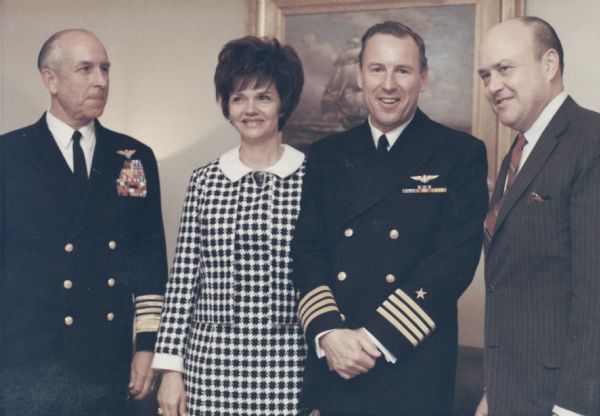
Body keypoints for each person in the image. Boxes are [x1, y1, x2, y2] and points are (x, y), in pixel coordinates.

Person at [291, 21, 488, 416]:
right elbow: (308, 249)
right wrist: (329, 332)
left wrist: (374, 338)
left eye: (403, 70)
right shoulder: (326, 154)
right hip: (336, 362)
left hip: (411, 366)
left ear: (424, 78)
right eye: (377, 69)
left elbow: (453, 261)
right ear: (360, 76)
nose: (389, 84)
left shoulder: (459, 153)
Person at [0, 29, 167, 416]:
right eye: (86, 69)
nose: (101, 81)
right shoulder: (9, 155)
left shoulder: (133, 157)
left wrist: (146, 345)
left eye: (105, 69)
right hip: (25, 365)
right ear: (50, 79)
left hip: (105, 362)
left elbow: (148, 261)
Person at [152, 36, 307, 416]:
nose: (250, 109)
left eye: (263, 97)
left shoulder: (312, 177)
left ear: (283, 102)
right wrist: (172, 370)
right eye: (239, 98)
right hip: (210, 370)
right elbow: (184, 279)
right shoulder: (204, 180)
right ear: (226, 104)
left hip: (289, 369)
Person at [476, 16, 600, 416]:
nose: (493, 86)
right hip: (512, 393)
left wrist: (574, 407)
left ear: (549, 65)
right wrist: (492, 392)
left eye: (504, 69)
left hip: (562, 402)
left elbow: (594, 290)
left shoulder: (590, 140)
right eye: (485, 75)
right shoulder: (521, 151)